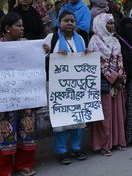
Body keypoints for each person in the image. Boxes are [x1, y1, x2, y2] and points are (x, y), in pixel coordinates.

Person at [0, 12, 49, 176]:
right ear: (7, 28)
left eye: (22, 25)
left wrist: (44, 52)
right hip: (5, 100)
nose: (23, 28)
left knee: (26, 129)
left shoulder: (28, 44)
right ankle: (4, 168)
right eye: (18, 26)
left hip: (25, 99)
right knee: (5, 131)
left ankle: (24, 164)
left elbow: (37, 66)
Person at [44, 10, 91, 165]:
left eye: (72, 21)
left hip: (76, 85)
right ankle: (61, 150)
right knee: (61, 117)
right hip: (57, 85)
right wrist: (54, 55)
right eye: (66, 20)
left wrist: (87, 54)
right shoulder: (52, 37)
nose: (70, 23)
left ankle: (76, 148)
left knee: (78, 116)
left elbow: (82, 59)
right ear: (59, 22)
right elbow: (41, 55)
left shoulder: (81, 39)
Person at [88, 13, 127, 156]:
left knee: (117, 113)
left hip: (116, 84)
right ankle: (103, 144)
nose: (112, 26)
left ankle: (116, 141)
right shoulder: (94, 41)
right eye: (109, 23)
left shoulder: (115, 41)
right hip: (104, 82)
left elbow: (120, 60)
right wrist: (114, 77)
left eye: (112, 23)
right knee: (105, 115)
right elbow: (97, 63)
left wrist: (121, 78)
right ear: (101, 24)